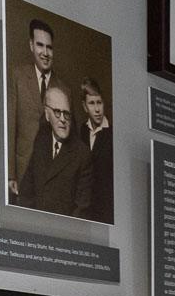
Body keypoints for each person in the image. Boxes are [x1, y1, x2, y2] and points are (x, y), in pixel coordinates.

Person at [16, 84, 92, 218]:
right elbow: (26, 193)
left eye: (66, 113)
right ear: (47, 114)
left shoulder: (82, 154)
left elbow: (82, 210)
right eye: (57, 112)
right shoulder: (41, 143)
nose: (63, 119)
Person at [8, 17, 56, 198]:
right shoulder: (17, 77)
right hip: (22, 171)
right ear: (31, 45)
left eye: (49, 47)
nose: (45, 52)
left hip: (50, 176)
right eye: (40, 45)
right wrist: (10, 173)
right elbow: (10, 126)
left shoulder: (63, 89)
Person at [77, 78, 113, 224]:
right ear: (84, 106)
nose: (97, 109)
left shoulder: (112, 134)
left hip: (105, 211)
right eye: (92, 103)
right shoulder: (82, 131)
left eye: (99, 102)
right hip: (84, 210)